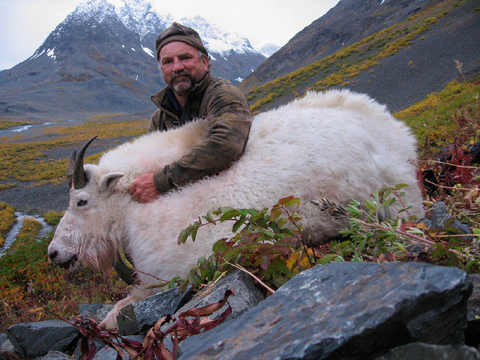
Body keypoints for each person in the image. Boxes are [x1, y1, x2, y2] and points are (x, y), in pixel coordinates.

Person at [128, 22, 253, 203]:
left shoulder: (223, 94)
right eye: (168, 61)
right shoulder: (160, 117)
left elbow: (227, 145)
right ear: (162, 69)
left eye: (185, 58)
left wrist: (162, 181)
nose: (177, 67)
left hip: (232, 199)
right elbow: (149, 165)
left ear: (205, 62)